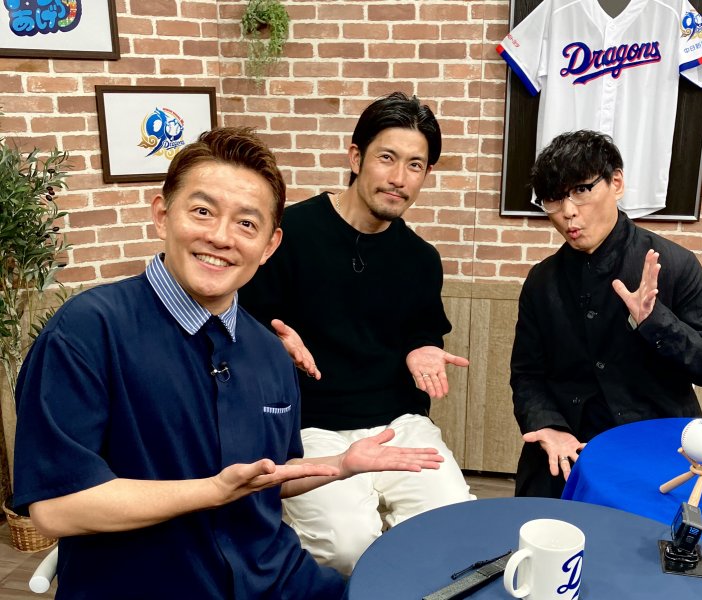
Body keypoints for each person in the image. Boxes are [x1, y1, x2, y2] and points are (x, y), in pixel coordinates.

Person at [12, 127, 445, 599]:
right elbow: (56, 509)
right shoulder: (86, 332)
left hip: (275, 579)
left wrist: (341, 464)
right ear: (162, 215)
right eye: (202, 212)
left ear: (270, 245)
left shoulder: (270, 353)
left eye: (246, 224)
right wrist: (212, 491)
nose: (220, 237)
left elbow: (265, 478)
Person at [238, 92, 474, 574]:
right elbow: (239, 324)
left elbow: (424, 330)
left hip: (398, 422)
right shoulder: (288, 234)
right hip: (310, 426)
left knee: (452, 527)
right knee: (349, 547)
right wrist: (272, 343)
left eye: (415, 165)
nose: (399, 177)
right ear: (355, 157)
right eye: (387, 157)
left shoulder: (421, 259)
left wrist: (423, 348)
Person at [510, 130, 702, 498]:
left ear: (616, 183)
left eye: (581, 189)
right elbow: (527, 375)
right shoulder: (541, 281)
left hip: (656, 446)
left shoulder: (674, 264)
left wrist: (656, 322)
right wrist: (548, 426)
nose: (567, 211)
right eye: (553, 198)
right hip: (568, 447)